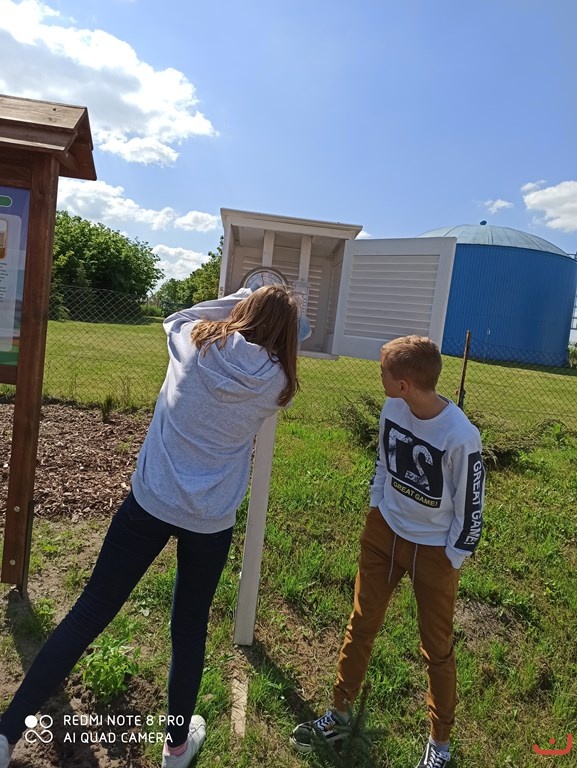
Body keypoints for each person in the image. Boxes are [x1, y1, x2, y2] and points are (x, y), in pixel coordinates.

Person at [0, 284, 302, 768]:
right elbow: (278, 339)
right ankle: (176, 747)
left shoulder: (195, 342)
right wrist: (266, 314)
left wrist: (238, 298)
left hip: (151, 502)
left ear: (241, 309)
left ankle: (6, 733)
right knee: (189, 630)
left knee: (88, 614)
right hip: (211, 520)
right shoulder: (278, 385)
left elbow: (178, 315)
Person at [290, 335, 485, 768]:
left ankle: (440, 744)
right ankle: (340, 714)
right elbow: (383, 461)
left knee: (437, 648)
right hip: (384, 535)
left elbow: (471, 509)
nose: (378, 376)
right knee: (361, 623)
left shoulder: (460, 436)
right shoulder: (392, 409)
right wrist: (377, 506)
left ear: (403, 385)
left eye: (383, 372)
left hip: (434, 552)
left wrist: (452, 557)